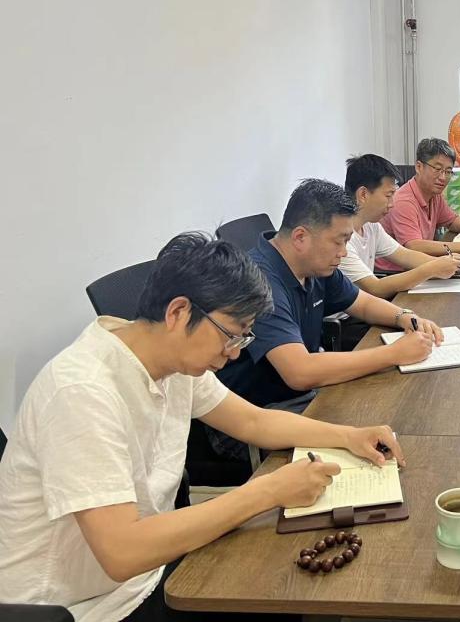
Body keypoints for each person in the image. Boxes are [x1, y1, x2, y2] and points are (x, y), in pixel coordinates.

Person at [0, 233, 405, 621]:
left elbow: (254, 421)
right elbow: (122, 552)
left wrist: (348, 436)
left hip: (150, 569)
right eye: (231, 336)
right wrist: (267, 491)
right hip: (84, 604)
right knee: (288, 593)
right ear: (178, 312)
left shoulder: (173, 362)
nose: (233, 354)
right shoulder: (82, 391)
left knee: (292, 584)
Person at [211, 179, 442, 460]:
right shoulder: (260, 282)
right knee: (388, 437)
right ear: (300, 237)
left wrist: (404, 316)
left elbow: (362, 303)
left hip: (302, 397)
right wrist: (394, 354)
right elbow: (299, 372)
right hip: (256, 416)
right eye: (339, 241)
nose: (343, 252)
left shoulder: (315, 265)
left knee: (395, 415)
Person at [342, 153, 460, 298]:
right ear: (363, 194)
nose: (392, 204)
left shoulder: (371, 226)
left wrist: (448, 263)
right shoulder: (341, 238)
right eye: (388, 196)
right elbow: (375, 288)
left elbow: (405, 255)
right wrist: (432, 269)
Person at [378, 138, 460, 271]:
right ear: (419, 167)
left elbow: (451, 220)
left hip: (420, 266)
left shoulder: (434, 194)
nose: (443, 177)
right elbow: (414, 246)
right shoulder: (403, 201)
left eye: (448, 171)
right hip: (395, 273)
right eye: (437, 169)